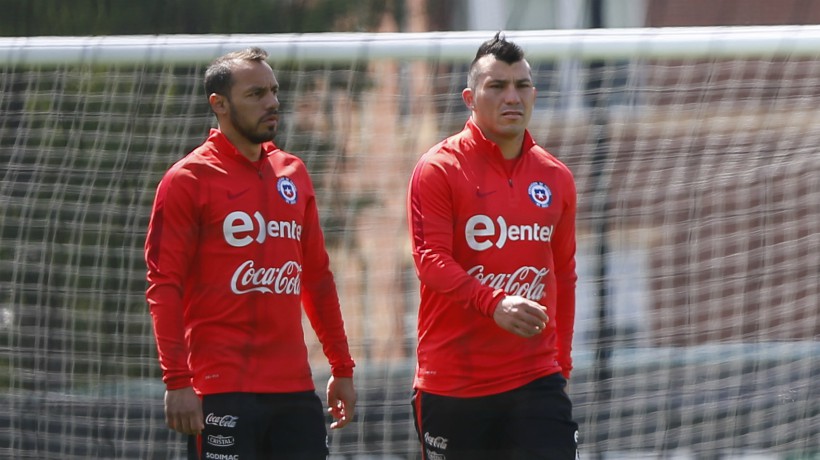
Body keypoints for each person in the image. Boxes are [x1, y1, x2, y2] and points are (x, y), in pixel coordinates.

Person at [144, 47, 356, 460]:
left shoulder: (293, 172)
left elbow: (316, 278)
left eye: (274, 91)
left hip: (295, 391)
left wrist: (342, 367)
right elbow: (164, 285)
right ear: (219, 105)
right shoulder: (188, 179)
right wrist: (176, 381)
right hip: (222, 390)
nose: (272, 102)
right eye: (256, 94)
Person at [406, 32, 579, 459]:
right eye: (497, 86)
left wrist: (563, 363)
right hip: (454, 383)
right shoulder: (439, 169)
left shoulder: (556, 177)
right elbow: (430, 261)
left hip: (537, 379)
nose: (512, 97)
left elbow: (564, 275)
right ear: (470, 96)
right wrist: (494, 303)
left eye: (521, 86)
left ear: (534, 94)